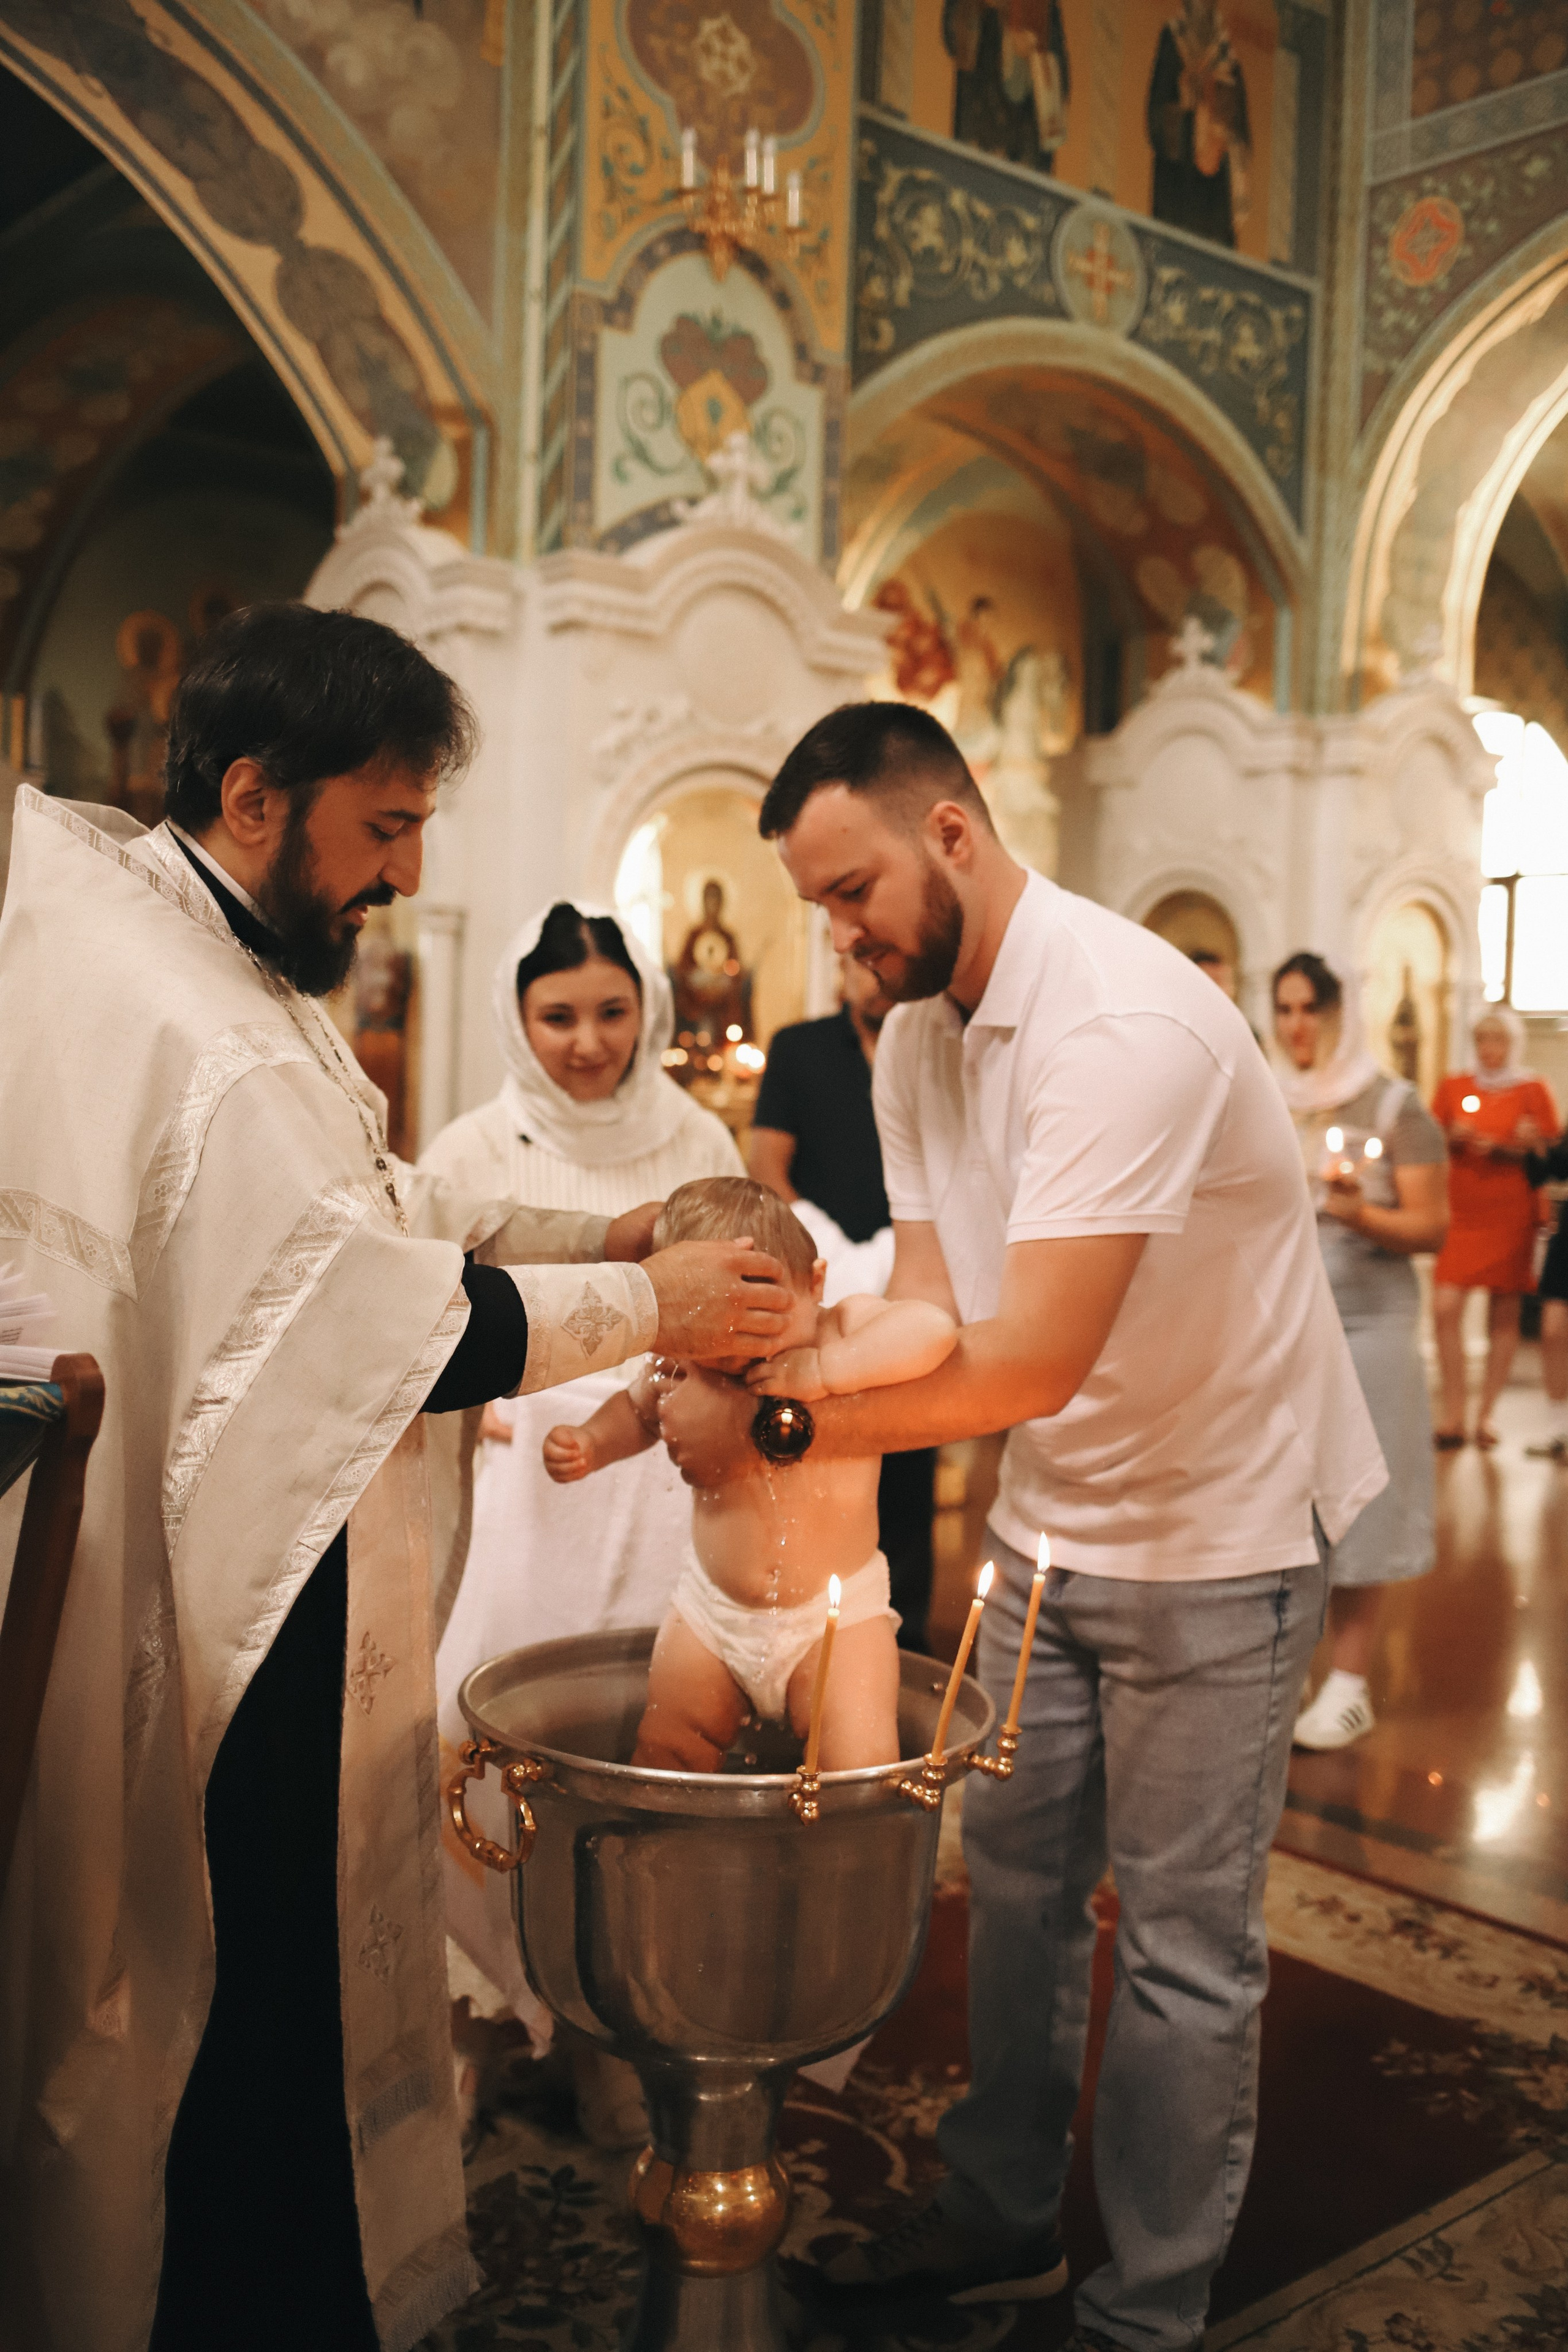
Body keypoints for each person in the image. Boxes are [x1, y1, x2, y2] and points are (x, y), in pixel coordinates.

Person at [0, 604, 792, 2352]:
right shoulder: (178, 1006)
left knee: (288, 1983)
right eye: (384, 826)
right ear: (258, 795)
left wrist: (601, 1230)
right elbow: (357, 1314)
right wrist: (644, 1302)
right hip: (215, 1601)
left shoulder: (226, 970)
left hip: (270, 1560)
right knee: (240, 1987)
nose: (404, 874)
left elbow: (362, 1218)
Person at [655, 703, 1383, 2350]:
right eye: (821, 910)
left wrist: (776, 1424)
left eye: (853, 893)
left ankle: (1145, 2310)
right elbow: (928, 1308)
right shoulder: (911, 1037)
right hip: (1056, 1527)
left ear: (954, 838)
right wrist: (784, 1355)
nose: (840, 939)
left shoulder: (1123, 1020)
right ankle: (994, 2227)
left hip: (1224, 1532)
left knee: (1186, 1948)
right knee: (1021, 1898)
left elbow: (1033, 1356)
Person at [420, 898, 739, 2144]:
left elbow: (732, 1292)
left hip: (656, 1493)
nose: (588, 1041)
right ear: (516, 1018)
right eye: (557, 1016)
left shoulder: (696, 1131)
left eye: (611, 1012)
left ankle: (609, 2029)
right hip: (516, 1498)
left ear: (646, 1011)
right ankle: (469, 2025)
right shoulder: (468, 1150)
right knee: (479, 1751)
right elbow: (433, 1310)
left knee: (631, 1762)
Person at [546, 1177, 956, 1771]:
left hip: (836, 1617)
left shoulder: (842, 1329)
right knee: (666, 1751)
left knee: (858, 1766)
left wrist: (829, 1369)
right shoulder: (678, 1362)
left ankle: (843, 1860)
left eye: (762, 1316)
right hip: (711, 1614)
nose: (735, 1342)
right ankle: (669, 1853)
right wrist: (590, 1442)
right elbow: (637, 1412)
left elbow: (932, 1331)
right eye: (711, 1319)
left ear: (814, 1284)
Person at [1271, 954, 1448, 1752]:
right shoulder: (1270, 1097)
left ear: (1341, 1015)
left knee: (1362, 1500)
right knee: (1288, 1498)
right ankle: (1288, 1674)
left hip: (1371, 1325)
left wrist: (1360, 1217)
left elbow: (1433, 1227)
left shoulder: (1395, 1104)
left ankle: (1348, 1683)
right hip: (1286, 1326)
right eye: (1284, 1009)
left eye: (1311, 1009)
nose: (1296, 1026)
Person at [750, 956, 937, 1648]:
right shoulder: (801, 1048)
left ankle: (904, 1639)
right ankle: (806, 1636)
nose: (874, 975)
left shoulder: (935, 1051)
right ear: (839, 968)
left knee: (909, 1453)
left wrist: (906, 1259)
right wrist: (824, 1246)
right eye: (859, 961)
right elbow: (766, 1165)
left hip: (916, 1281)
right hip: (820, 1289)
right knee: (815, 1461)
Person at [1430, 1009, 1559, 1449]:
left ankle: (1485, 1416)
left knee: (1503, 1313)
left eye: (1498, 1040)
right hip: (1463, 1213)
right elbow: (1430, 1138)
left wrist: (1512, 1146)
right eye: (1482, 1039)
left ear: (1512, 1044)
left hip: (1512, 1211)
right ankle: (1452, 1413)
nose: (1489, 1049)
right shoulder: (1454, 1086)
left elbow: (1551, 1151)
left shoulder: (1532, 1088)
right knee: (1445, 1306)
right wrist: (1454, 1136)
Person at [1146, 0, 1251, 249]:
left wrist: (1225, 136)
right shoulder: (1172, 44)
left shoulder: (1230, 64)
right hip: (1177, 192)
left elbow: (1241, 137)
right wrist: (1192, 121)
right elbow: (1155, 121)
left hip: (1216, 206)